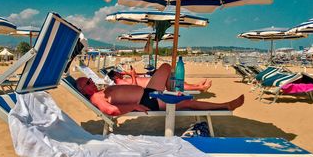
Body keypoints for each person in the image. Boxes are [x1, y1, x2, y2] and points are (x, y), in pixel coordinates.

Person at [76, 63, 244, 116]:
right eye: (88, 82)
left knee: (165, 67)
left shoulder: (102, 90)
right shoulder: (96, 98)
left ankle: (173, 90)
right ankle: (225, 106)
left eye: (90, 79)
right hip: (147, 101)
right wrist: (133, 107)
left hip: (148, 93)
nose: (92, 82)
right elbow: (110, 110)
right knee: (186, 103)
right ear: (84, 90)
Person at [107, 65, 212, 92]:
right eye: (117, 72)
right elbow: (134, 87)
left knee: (173, 81)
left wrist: (132, 74)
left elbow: (137, 80)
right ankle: (199, 87)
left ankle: (198, 86)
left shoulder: (123, 79)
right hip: (153, 86)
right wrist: (133, 75)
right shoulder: (119, 83)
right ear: (115, 76)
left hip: (153, 82)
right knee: (173, 84)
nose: (120, 73)